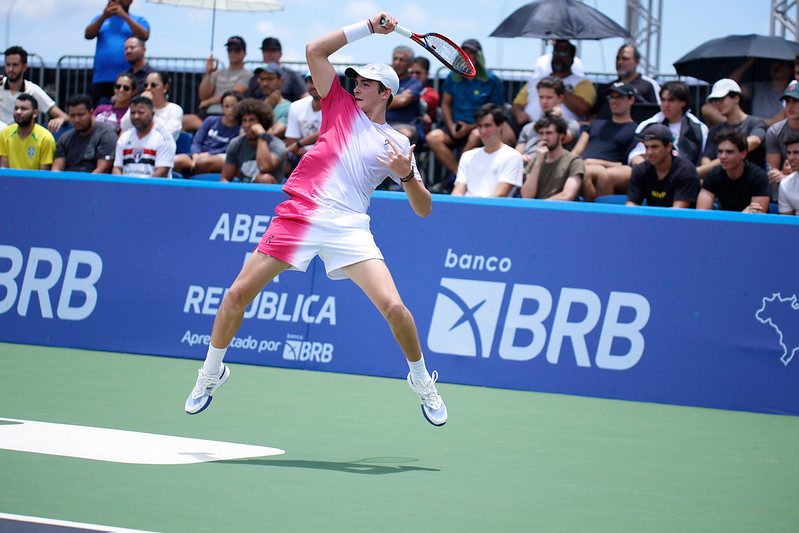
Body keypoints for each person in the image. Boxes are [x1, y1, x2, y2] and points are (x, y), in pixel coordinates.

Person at [184, 12, 447, 428]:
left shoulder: (399, 144)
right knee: (236, 295)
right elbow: (314, 50)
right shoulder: (339, 106)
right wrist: (367, 27)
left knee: (395, 308)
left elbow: (424, 208)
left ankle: (421, 380)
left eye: (363, 83)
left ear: (385, 93)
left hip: (348, 228)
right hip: (300, 215)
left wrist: (408, 174)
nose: (354, 86)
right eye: (354, 80)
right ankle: (211, 372)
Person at [425, 39, 506, 181]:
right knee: (432, 137)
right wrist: (451, 126)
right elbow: (445, 104)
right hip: (456, 126)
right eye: (464, 52)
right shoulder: (452, 76)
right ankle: (458, 176)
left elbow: (498, 110)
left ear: (479, 56)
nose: (467, 56)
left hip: (478, 127)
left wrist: (472, 127)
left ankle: (458, 179)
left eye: (471, 53)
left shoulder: (492, 80)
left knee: (475, 135)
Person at [572, 81, 638, 201]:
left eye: (620, 97)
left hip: (608, 170)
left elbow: (628, 164)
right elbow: (576, 152)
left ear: (631, 100)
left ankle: (593, 214)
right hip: (582, 165)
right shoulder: (595, 124)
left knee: (586, 171)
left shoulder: (636, 129)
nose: (614, 100)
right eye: (611, 97)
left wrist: (597, 162)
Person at [510, 40, 596, 129]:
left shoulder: (583, 83)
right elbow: (516, 105)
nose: (558, 57)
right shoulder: (534, 81)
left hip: (562, 131)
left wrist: (558, 87)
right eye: (555, 52)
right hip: (529, 127)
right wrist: (519, 114)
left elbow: (583, 109)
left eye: (564, 54)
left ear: (572, 58)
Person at [627, 81, 709, 167]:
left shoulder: (698, 129)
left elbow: (702, 159)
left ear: (683, 102)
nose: (666, 105)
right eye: (663, 100)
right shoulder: (648, 125)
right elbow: (635, 156)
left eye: (671, 100)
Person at [84, 0, 149, 106]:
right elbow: (88, 34)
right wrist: (104, 16)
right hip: (102, 78)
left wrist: (124, 16)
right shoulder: (100, 19)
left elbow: (144, 35)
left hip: (128, 79)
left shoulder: (139, 20)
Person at [698, 79, 767, 178]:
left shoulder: (755, 123)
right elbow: (706, 158)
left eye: (721, 99)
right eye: (715, 101)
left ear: (736, 98)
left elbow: (755, 141)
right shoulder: (714, 130)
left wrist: (722, 160)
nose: (718, 104)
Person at [451, 104, 523, 197]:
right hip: (466, 209)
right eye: (480, 126)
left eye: (488, 125)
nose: (483, 131)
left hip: (494, 210)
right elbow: (457, 192)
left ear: (500, 126)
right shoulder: (467, 156)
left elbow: (500, 194)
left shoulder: (513, 156)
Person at [184, 36, 252, 132]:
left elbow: (233, 94)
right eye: (230, 49)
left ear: (244, 53)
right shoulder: (217, 73)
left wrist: (208, 102)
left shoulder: (247, 75)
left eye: (237, 50)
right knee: (182, 121)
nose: (233, 52)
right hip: (207, 116)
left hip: (226, 117)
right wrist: (208, 73)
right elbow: (203, 96)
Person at [701, 59, 793, 128]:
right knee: (707, 108)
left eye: (782, 64)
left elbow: (780, 121)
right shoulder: (758, 86)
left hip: (771, 136)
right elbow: (728, 86)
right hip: (746, 130)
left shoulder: (792, 92)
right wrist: (749, 62)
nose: (777, 66)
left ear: (791, 70)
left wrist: (746, 123)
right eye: (773, 63)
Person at [625, 124, 700, 208]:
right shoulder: (640, 170)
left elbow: (678, 212)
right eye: (646, 147)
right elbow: (631, 206)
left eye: (655, 147)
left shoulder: (686, 171)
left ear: (669, 147)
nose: (649, 152)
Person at [697, 129, 769, 213]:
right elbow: (702, 213)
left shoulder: (758, 177)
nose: (723, 156)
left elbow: (757, 216)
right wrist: (741, 215)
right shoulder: (712, 175)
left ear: (743, 154)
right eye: (720, 151)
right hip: (725, 222)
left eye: (729, 152)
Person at [0, 46, 69, 132]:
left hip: (22, 140)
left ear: (24, 67)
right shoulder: (0, 84)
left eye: (15, 65)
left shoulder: (33, 90)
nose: (10, 69)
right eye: (8, 64)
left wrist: (60, 119)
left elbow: (64, 116)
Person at [173, 90, 242, 176]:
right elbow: (197, 141)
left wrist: (208, 155)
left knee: (201, 163)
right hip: (197, 155)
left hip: (216, 158)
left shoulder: (240, 128)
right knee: (174, 161)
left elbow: (228, 148)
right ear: (222, 107)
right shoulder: (210, 120)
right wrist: (196, 155)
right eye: (226, 106)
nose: (230, 110)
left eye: (234, 106)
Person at [515, 77, 581, 165]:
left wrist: (553, 117)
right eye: (541, 97)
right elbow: (517, 154)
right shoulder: (528, 127)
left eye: (549, 97)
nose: (544, 101)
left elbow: (562, 138)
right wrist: (520, 157)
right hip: (525, 168)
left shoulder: (571, 124)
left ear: (560, 98)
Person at [520, 113, 584, 201]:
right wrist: (538, 162)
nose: (544, 137)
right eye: (541, 133)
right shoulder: (536, 161)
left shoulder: (574, 161)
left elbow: (567, 195)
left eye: (549, 133)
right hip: (536, 211)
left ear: (561, 135)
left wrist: (541, 206)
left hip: (559, 212)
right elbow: (527, 196)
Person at [221, 98, 285, 184]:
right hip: (244, 193)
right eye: (244, 120)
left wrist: (261, 135)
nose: (247, 125)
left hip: (271, 194)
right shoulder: (236, 143)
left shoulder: (276, 144)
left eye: (252, 120)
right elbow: (225, 179)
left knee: (263, 178)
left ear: (262, 122)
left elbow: (264, 167)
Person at [112, 95, 175, 178]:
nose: (136, 116)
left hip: (153, 189)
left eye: (141, 113)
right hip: (127, 188)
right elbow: (117, 168)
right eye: (133, 113)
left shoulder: (163, 138)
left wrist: (140, 189)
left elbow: (162, 172)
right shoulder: (124, 137)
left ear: (152, 114)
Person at [52, 94, 117, 173]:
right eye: (72, 115)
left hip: (94, 183)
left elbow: (102, 170)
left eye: (80, 115)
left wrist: (82, 184)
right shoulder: (65, 138)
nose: (76, 120)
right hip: (69, 182)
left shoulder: (106, 135)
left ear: (91, 113)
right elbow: (56, 170)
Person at [594, 44, 660, 120]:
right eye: (617, 58)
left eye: (625, 59)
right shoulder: (609, 87)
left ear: (637, 62)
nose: (620, 62)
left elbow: (660, 113)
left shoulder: (649, 85)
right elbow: (596, 114)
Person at [120, 71, 183, 140]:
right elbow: (124, 126)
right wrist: (138, 104)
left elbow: (168, 135)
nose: (148, 88)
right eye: (146, 85)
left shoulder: (175, 109)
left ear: (165, 87)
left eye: (153, 85)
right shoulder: (140, 107)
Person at [0, 94, 55, 170]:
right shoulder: (5, 133)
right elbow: (4, 169)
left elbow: (43, 176)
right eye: (16, 108)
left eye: (24, 109)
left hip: (34, 181)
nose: (18, 112)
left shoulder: (45, 138)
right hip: (11, 181)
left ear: (35, 113)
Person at [246, 37, 308, 103]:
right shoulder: (255, 77)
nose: (269, 54)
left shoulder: (292, 75)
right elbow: (248, 102)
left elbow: (306, 98)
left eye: (272, 51)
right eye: (265, 51)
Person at [766, 80, 799, 192]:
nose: (790, 106)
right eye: (787, 101)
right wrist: (783, 175)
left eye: (795, 101)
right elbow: (773, 171)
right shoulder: (774, 131)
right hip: (784, 185)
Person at [385, 45, 423, 141]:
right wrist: (395, 99)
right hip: (380, 123)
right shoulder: (384, 80)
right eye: (395, 59)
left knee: (404, 135)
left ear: (410, 64)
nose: (397, 62)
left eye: (402, 60)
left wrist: (378, 101)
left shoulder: (414, 82)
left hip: (405, 124)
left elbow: (402, 101)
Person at [284, 73, 322, 167]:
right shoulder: (296, 106)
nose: (313, 86)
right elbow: (291, 143)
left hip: (330, 160)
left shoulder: (338, 105)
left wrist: (298, 144)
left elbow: (328, 133)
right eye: (310, 81)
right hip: (303, 157)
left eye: (318, 81)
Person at [253, 63, 290, 139]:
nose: (265, 83)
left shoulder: (289, 108)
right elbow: (244, 134)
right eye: (262, 79)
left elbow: (271, 135)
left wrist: (265, 108)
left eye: (270, 79)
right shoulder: (255, 106)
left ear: (281, 81)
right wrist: (266, 106)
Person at [409, 57, 439, 134]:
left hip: (418, 132)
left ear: (427, 74)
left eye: (418, 73)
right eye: (411, 72)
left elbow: (412, 104)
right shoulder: (402, 88)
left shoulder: (431, 93)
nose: (414, 76)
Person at [778, 132, 799, 215]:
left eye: (796, 152)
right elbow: (787, 224)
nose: (790, 158)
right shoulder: (785, 185)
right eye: (789, 153)